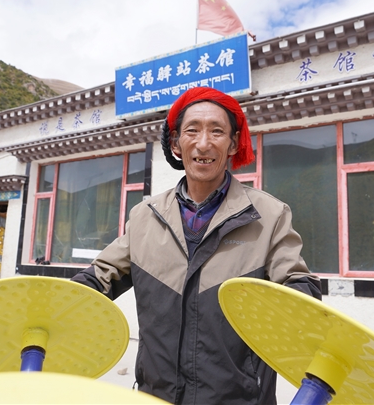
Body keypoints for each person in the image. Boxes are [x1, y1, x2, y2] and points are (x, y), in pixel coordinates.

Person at [72, 87, 322, 405]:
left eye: (217, 131)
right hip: (156, 398)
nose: (203, 143)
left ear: (233, 143)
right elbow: (96, 281)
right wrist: (47, 309)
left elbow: (299, 288)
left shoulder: (269, 215)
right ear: (176, 144)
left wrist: (294, 311)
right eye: (192, 130)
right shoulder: (146, 216)